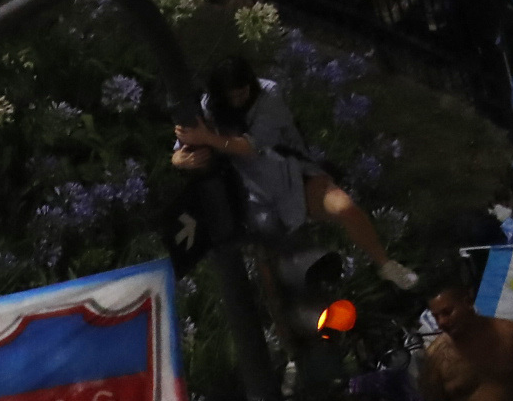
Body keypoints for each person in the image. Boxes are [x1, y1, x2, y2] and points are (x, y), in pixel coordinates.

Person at [173, 55, 415, 292]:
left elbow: (253, 146)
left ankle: (385, 264)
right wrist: (180, 159)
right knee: (272, 261)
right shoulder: (208, 106)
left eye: (242, 93)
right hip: (249, 193)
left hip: (291, 175)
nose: (237, 101)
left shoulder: (269, 95)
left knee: (344, 207)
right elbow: (183, 145)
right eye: (231, 96)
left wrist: (208, 138)